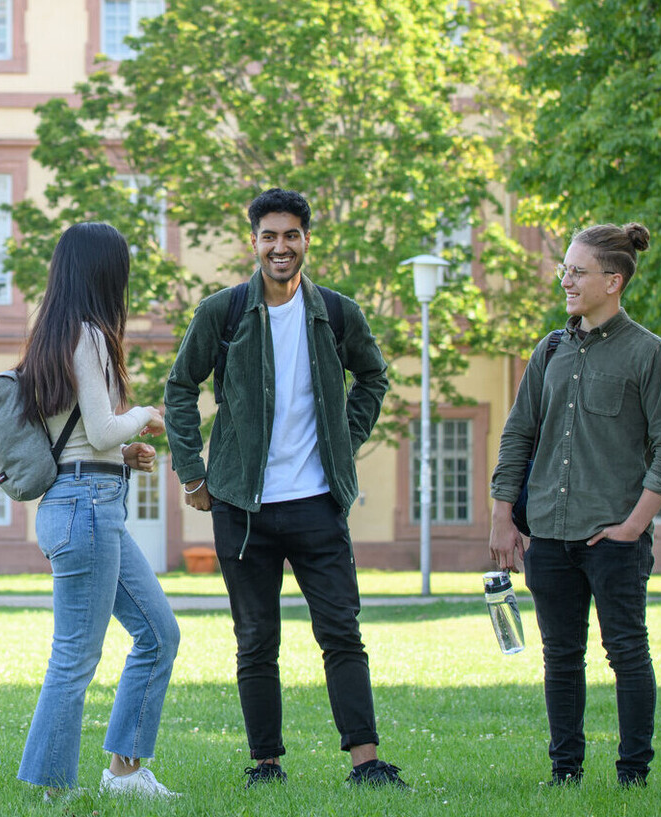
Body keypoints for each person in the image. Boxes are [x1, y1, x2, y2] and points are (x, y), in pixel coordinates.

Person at [163, 188, 403, 789]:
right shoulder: (222, 312)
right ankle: (266, 764)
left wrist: (341, 442)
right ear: (254, 242)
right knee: (255, 638)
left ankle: (366, 764)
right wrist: (192, 470)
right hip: (243, 507)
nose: (280, 246)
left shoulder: (338, 314)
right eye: (269, 236)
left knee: (342, 632)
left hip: (318, 503)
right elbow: (179, 387)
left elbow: (373, 376)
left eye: (290, 235)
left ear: (305, 240)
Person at [488, 223, 661, 788]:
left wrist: (633, 526)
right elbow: (518, 434)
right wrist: (504, 516)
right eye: (565, 270)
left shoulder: (651, 354)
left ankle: (633, 775)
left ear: (614, 280)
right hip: (548, 534)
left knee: (626, 652)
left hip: (614, 538)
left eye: (578, 271)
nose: (566, 281)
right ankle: (565, 771)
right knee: (560, 656)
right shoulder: (549, 349)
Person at [16, 222, 181, 799]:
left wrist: (121, 452)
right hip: (84, 508)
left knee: (159, 634)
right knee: (75, 659)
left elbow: (84, 433)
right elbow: (105, 423)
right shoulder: (84, 334)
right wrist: (145, 416)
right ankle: (51, 789)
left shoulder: (54, 333)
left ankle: (125, 776)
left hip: (88, 501)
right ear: (103, 272)